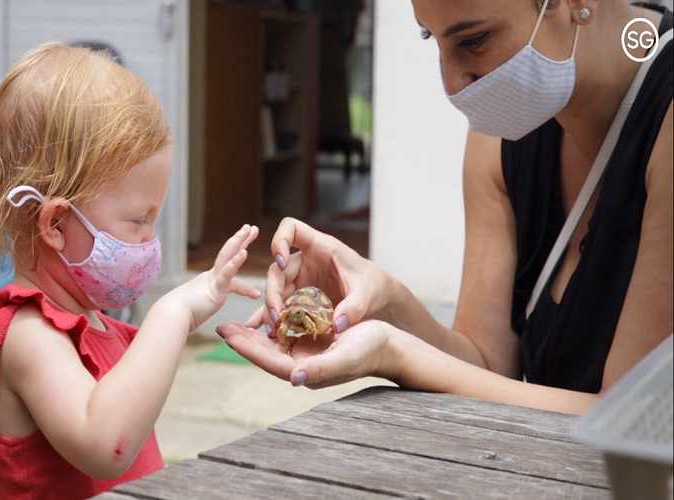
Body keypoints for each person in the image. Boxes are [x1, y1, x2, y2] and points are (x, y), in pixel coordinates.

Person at [219, 0, 673, 416]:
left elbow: (628, 419)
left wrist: (397, 355)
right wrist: (382, 303)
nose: (452, 84)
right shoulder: (503, 130)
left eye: (473, 40)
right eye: (430, 39)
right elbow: (486, 366)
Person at [0, 42, 260, 499]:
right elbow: (107, 445)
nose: (152, 239)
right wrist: (172, 313)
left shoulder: (96, 324)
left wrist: (196, 308)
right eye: (139, 220)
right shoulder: (27, 335)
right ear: (57, 223)